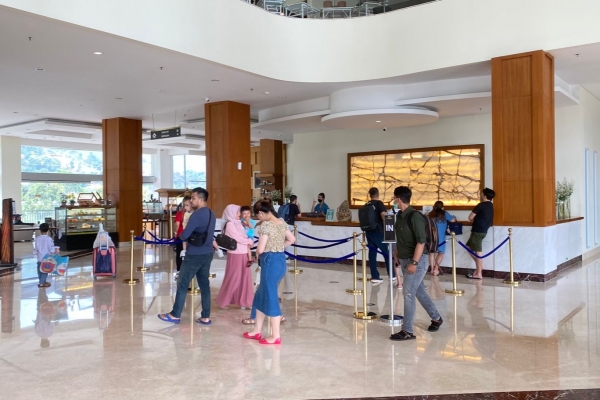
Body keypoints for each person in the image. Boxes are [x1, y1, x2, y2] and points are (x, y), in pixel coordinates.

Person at [391, 186, 443, 341]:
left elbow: (421, 242)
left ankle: (407, 330)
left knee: (408, 294)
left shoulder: (415, 216)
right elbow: (400, 239)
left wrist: (414, 262)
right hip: (405, 259)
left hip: (417, 261)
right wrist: (397, 256)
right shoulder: (400, 216)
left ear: (398, 199)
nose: (393, 201)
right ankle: (436, 318)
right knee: (419, 291)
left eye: (394, 198)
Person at [158, 187, 216, 325]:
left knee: (183, 283)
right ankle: (205, 316)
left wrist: (182, 230)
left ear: (201, 199)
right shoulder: (211, 213)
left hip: (194, 254)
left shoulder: (195, 215)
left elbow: (184, 235)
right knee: (204, 285)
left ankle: (175, 314)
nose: (191, 200)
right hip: (207, 253)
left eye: (193, 198)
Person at [243, 200, 295, 345]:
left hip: (269, 262)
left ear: (261, 213)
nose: (258, 218)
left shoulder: (266, 225)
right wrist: (279, 247)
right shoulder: (281, 222)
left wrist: (257, 255)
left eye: (258, 215)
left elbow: (260, 249)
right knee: (261, 295)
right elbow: (292, 239)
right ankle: (257, 330)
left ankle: (276, 335)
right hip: (280, 261)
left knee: (271, 297)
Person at [216, 205, 255, 309]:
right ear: (231, 213)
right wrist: (249, 241)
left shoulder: (238, 222)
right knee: (234, 277)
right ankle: (224, 300)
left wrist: (249, 240)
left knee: (245, 278)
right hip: (236, 253)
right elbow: (237, 238)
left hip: (244, 252)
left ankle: (245, 301)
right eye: (237, 212)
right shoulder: (230, 224)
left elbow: (247, 232)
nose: (239, 214)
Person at [365, 187, 395, 285]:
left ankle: (375, 276)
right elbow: (383, 215)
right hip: (378, 232)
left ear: (370, 195)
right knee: (386, 253)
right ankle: (392, 274)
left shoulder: (367, 204)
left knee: (372, 254)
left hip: (369, 232)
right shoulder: (379, 203)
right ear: (378, 194)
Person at [465, 188, 495, 280]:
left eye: (481, 194)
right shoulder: (490, 206)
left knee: (478, 252)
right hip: (483, 231)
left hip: (477, 231)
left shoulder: (481, 205)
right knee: (468, 247)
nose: (480, 195)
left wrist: (474, 218)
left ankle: (478, 273)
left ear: (484, 196)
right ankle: (480, 266)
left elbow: (470, 217)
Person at [428, 201, 457, 276]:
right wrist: (454, 217)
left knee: (431, 253)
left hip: (431, 236)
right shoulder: (444, 213)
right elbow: (453, 220)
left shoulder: (431, 213)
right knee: (440, 253)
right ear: (442, 207)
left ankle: (431, 270)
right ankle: (436, 270)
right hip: (441, 236)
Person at [173, 195, 191, 280]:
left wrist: (175, 233)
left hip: (181, 236)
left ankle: (179, 271)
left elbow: (177, 224)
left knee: (179, 254)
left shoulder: (180, 213)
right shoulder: (193, 214)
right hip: (189, 236)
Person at [35, 223, 57, 288]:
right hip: (47, 257)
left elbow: (36, 248)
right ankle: (42, 283)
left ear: (40, 230)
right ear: (48, 230)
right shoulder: (49, 239)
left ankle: (42, 281)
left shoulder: (37, 238)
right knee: (45, 270)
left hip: (39, 257)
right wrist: (55, 249)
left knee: (40, 269)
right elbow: (51, 249)